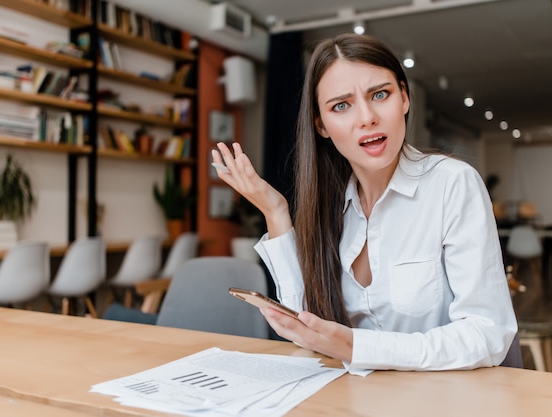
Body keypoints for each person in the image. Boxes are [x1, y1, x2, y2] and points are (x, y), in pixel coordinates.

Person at [211, 33, 518, 372]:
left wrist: (356, 346)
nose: (367, 117)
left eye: (380, 94)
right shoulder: (329, 203)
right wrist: (275, 210)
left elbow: (488, 335)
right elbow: (308, 328)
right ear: (321, 125)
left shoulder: (452, 184)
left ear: (404, 98)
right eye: (341, 105)